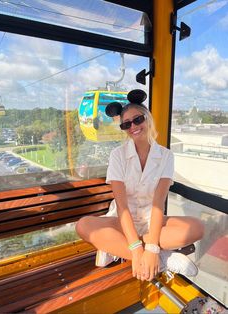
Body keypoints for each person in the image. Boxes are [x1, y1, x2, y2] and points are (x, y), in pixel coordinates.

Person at [76, 89, 204, 282]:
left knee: (197, 227)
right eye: (126, 124)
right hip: (123, 221)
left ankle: (119, 248)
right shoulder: (118, 155)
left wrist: (151, 245)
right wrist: (138, 252)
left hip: (152, 220)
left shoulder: (166, 155)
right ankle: (162, 259)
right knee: (83, 225)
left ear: (147, 118)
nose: (133, 127)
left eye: (137, 120)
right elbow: (122, 206)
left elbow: (158, 202)